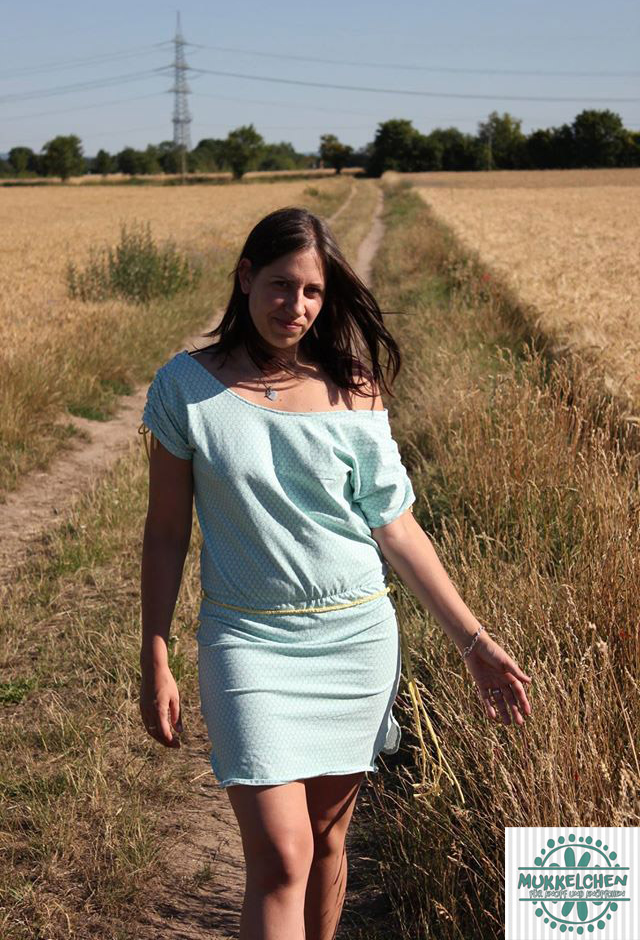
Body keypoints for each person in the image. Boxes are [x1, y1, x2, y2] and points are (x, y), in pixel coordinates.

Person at [138, 205, 532, 940]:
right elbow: (165, 534)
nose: (296, 305)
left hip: (355, 641)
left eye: (313, 291)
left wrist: (474, 642)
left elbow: (396, 528)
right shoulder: (185, 388)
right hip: (246, 643)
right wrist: (154, 653)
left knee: (325, 843)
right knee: (281, 857)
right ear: (246, 278)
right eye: (281, 285)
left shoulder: (354, 389)